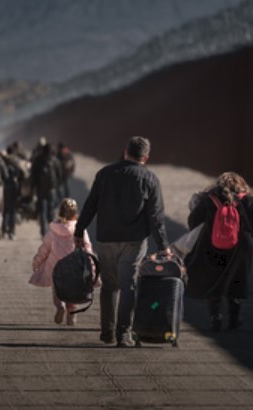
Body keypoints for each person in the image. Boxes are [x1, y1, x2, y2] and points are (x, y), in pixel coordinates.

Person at [74, 136, 171, 347]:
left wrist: (79, 230)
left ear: (125, 151)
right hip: (133, 241)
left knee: (109, 286)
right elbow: (155, 217)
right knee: (129, 286)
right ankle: (123, 334)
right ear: (145, 157)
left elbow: (90, 204)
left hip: (106, 238)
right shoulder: (150, 178)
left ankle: (107, 332)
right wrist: (163, 246)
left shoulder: (104, 174)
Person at [186, 171, 253, 332]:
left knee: (214, 280)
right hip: (241, 247)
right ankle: (234, 319)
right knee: (237, 281)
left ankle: (215, 317)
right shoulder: (248, 200)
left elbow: (193, 221)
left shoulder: (208, 199)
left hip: (212, 244)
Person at [30, 198, 93, 326]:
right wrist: (92, 266)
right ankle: (71, 316)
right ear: (76, 214)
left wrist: (36, 262)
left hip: (55, 266)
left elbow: (44, 249)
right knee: (73, 290)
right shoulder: (80, 230)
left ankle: (60, 306)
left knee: (57, 289)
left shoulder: (53, 230)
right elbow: (87, 247)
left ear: (60, 213)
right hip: (75, 266)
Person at [30, 143, 62, 238]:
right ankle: (52, 232)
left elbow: (34, 174)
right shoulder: (55, 160)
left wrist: (33, 187)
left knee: (42, 211)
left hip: (41, 189)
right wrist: (56, 186)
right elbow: (60, 175)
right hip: (52, 189)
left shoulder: (38, 159)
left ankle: (43, 233)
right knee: (51, 211)